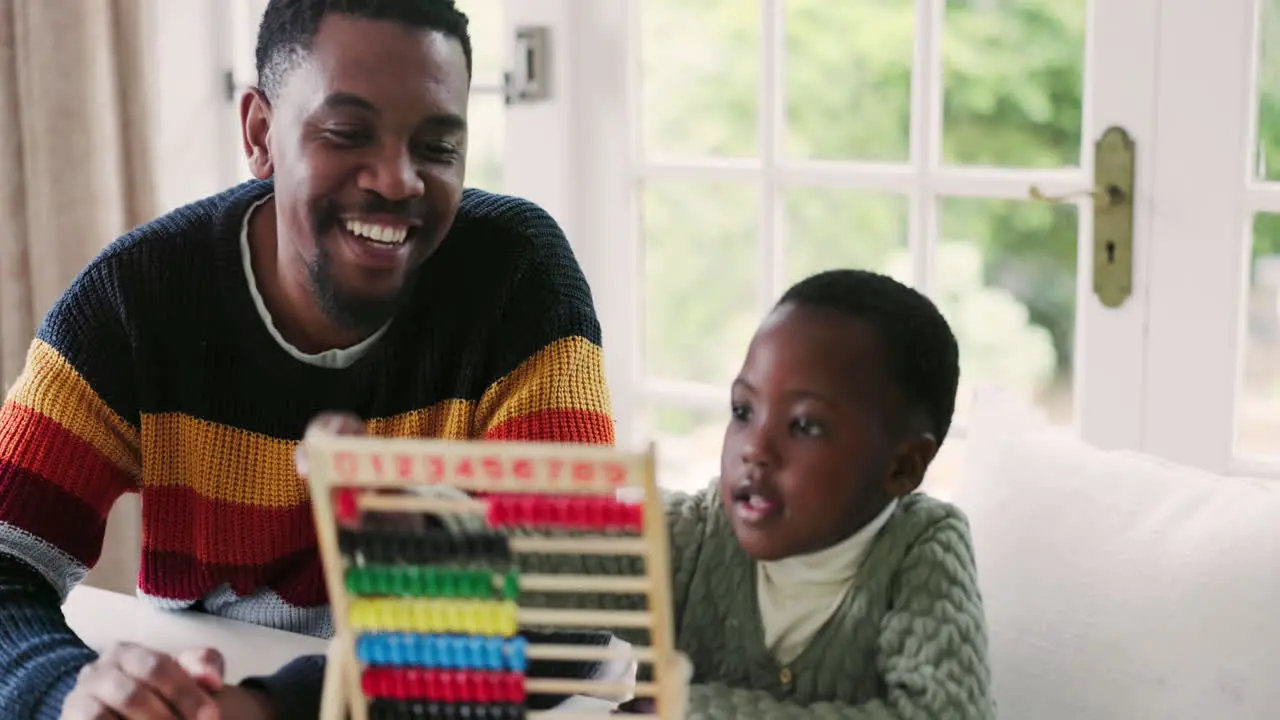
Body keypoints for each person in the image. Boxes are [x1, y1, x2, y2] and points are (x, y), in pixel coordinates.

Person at [0, 1, 615, 718]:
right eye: (348, 133)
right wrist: (71, 693)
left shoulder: (519, 277)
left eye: (438, 147)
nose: (398, 181)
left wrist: (274, 707)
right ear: (260, 134)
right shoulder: (134, 299)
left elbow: (569, 610)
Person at [602, 269, 994, 717]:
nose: (755, 449)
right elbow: (573, 552)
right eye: (743, 410)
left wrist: (687, 711)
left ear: (902, 466)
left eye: (804, 425)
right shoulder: (699, 533)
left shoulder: (921, 550)